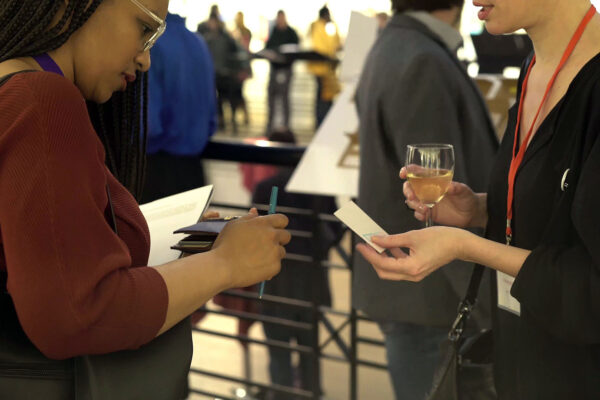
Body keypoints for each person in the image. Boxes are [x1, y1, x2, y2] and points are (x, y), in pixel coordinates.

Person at [0, 0, 290, 397]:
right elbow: (77, 313)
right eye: (144, 28)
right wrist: (226, 263)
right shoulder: (42, 100)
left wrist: (182, 242)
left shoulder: (15, 88)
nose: (145, 59)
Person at [357, 0, 600, 398]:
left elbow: (591, 285)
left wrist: (463, 246)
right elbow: (560, 210)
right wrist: (480, 209)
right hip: (519, 357)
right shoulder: (535, 68)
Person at [353, 0, 499, 398]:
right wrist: (484, 303)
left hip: (416, 289)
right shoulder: (423, 60)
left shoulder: (394, 45)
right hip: (432, 293)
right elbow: (433, 196)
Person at [251, 129, 342, 399]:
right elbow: (333, 232)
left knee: (279, 354)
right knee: (310, 352)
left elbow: (253, 235)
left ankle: (283, 395)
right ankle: (312, 393)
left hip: (276, 285)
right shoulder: (316, 187)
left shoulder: (266, 188)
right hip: (312, 286)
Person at [141, 12, 217, 204]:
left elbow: (150, 123)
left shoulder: (152, 44)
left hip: (157, 172)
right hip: (194, 171)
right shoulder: (199, 43)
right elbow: (211, 121)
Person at [307, 5, 341, 128]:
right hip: (321, 69)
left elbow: (336, 44)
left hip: (324, 69)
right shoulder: (318, 27)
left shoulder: (322, 27)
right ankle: (322, 123)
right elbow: (327, 47)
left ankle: (323, 122)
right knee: (323, 98)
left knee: (324, 97)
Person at [265, 10, 300, 132]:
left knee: (284, 98)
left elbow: (296, 49)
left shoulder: (291, 33)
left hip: (286, 69)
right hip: (274, 69)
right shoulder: (274, 31)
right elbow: (268, 47)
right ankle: (270, 126)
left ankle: (285, 126)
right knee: (271, 97)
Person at [230, 11, 252, 127]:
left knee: (239, 91)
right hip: (238, 66)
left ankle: (245, 115)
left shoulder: (244, 32)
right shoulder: (235, 32)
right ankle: (244, 115)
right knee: (237, 91)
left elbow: (245, 49)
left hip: (243, 65)